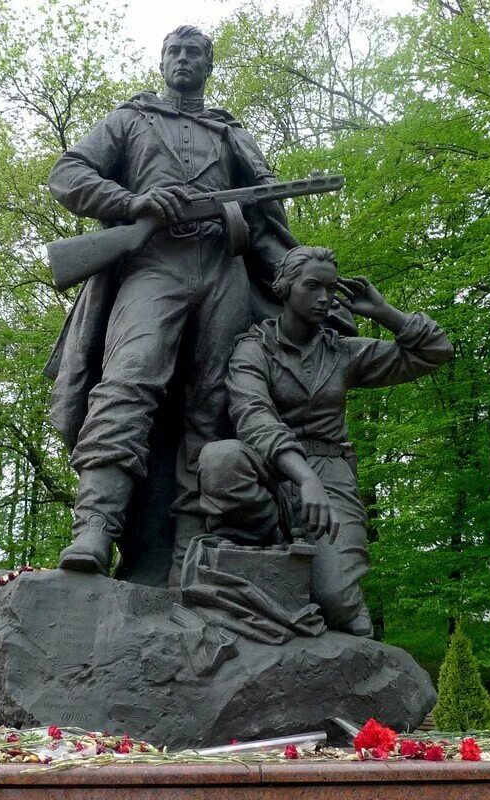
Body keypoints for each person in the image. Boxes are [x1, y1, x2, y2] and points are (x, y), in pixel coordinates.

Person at [45, 25, 316, 576]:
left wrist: (302, 279)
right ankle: (95, 528)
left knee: (214, 406)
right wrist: (133, 201)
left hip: (223, 270)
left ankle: (190, 547)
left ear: (209, 65)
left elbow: (265, 225)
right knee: (128, 379)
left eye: (196, 52)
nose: (185, 58)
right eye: (176, 50)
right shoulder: (131, 119)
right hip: (153, 266)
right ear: (162, 60)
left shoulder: (229, 134)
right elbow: (67, 174)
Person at [194, 246, 453, 636]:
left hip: (331, 475)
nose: (324, 298)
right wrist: (303, 478)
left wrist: (383, 312)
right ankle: (270, 545)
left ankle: (327, 576)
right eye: (311, 286)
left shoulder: (343, 352)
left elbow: (434, 351)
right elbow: (254, 417)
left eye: (330, 289)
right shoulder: (253, 348)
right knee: (220, 458)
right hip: (273, 472)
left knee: (336, 604)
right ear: (284, 287)